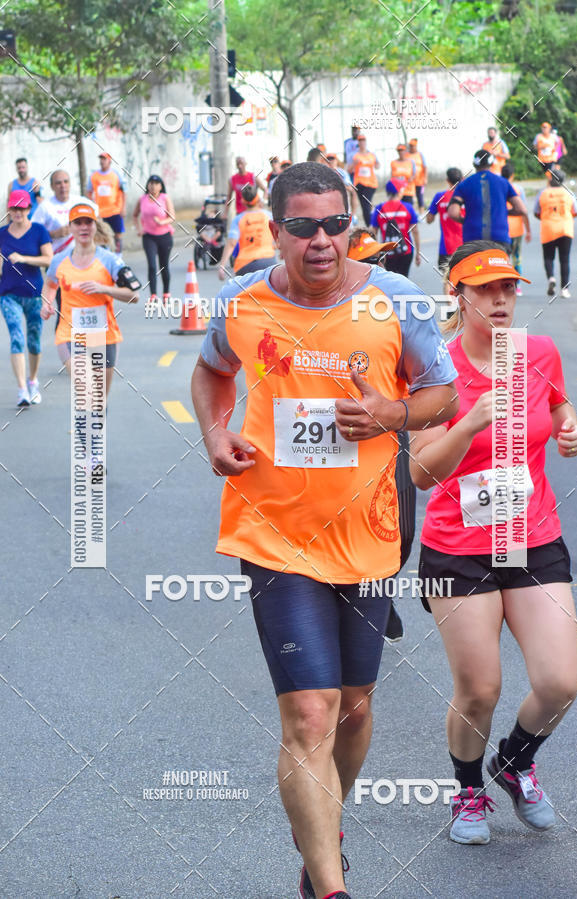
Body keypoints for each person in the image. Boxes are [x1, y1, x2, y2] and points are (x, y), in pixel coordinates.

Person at [191, 162, 458, 899]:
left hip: (368, 535)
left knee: (354, 705)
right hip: (273, 530)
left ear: (352, 226)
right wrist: (216, 435)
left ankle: (325, 820)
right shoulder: (242, 301)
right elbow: (212, 373)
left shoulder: (396, 302)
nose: (321, 240)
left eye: (335, 224)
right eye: (302, 226)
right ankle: (330, 887)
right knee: (310, 710)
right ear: (274, 230)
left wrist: (391, 413)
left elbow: (442, 393)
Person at [409, 240, 577, 846]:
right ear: (458, 294)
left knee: (561, 681)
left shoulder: (538, 353)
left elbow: (558, 409)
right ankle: (466, 789)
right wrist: (472, 422)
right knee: (480, 689)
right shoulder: (438, 367)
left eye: (508, 287)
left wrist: (569, 430)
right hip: (457, 547)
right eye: (485, 288)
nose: (501, 298)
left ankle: (513, 763)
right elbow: (421, 472)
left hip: (532, 537)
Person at [347, 227, 417, 643]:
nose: (380, 269)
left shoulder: (398, 307)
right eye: (370, 263)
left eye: (382, 260)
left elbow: (430, 378)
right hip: (339, 438)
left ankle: (380, 590)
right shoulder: (321, 312)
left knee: (402, 533)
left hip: (392, 431)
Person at [41, 202, 139, 390]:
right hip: (70, 334)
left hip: (103, 335)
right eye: (78, 223)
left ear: (95, 226)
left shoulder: (110, 260)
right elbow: (50, 284)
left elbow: (133, 296)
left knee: (99, 400)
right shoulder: (58, 260)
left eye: (88, 222)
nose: (83, 227)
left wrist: (104, 289)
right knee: (85, 389)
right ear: (70, 227)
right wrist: (46, 303)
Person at [0, 190, 52, 407]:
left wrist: (23, 258)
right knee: (17, 337)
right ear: (8, 209)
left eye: (22, 208)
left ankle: (33, 381)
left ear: (29, 209)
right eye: (14, 208)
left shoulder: (39, 231)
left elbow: (48, 259)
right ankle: (22, 390)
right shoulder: (2, 233)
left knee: (33, 342)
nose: (18, 212)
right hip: (8, 294)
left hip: (34, 294)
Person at [447, 149, 527, 251]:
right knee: (499, 266)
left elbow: (453, 213)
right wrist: (503, 212)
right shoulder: (504, 183)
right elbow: (521, 209)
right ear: (492, 163)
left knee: (476, 267)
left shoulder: (464, 184)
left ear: (474, 164)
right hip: (499, 238)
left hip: (472, 239)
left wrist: (465, 220)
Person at [533, 170, 577, 298]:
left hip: (548, 229)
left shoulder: (543, 193)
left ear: (550, 180)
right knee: (564, 260)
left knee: (548, 257)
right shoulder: (568, 193)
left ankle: (551, 278)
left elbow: (536, 212)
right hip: (565, 229)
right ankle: (564, 290)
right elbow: (576, 211)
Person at [218, 183, 276, 280]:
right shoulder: (269, 216)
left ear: (243, 202)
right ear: (258, 199)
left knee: (243, 293)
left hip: (245, 264)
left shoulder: (239, 219)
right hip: (268, 261)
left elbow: (232, 243)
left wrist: (222, 266)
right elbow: (281, 236)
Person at [133, 175, 175, 304]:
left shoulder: (165, 198)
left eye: (156, 183)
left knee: (164, 266)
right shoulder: (142, 199)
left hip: (164, 236)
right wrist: (139, 229)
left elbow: (172, 217)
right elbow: (135, 215)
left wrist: (162, 222)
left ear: (161, 186)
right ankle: (153, 295)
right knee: (152, 265)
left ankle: (166, 293)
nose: (153, 186)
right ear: (147, 185)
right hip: (148, 236)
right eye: (151, 183)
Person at [32, 169, 89, 254]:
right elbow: (33, 233)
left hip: (82, 257)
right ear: (52, 186)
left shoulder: (82, 202)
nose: (63, 186)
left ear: (70, 184)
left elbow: (98, 220)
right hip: (57, 259)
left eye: (66, 182)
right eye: (58, 183)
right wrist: (53, 234)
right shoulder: (45, 206)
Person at [372, 180, 420, 277]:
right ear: (399, 191)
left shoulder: (379, 208)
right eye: (402, 189)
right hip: (406, 251)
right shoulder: (408, 207)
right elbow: (415, 231)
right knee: (404, 278)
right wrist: (418, 254)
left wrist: (376, 255)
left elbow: (373, 233)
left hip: (387, 252)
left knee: (391, 280)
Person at [86, 152, 126, 253]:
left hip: (115, 210)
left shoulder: (116, 174)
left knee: (118, 234)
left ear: (109, 161)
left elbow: (124, 191)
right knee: (102, 235)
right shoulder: (94, 176)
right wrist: (92, 206)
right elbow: (88, 192)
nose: (102, 161)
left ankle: (118, 256)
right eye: (101, 159)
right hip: (100, 212)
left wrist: (123, 207)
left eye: (104, 159)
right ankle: (105, 255)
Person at [426, 167, 464, 273]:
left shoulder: (440, 196)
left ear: (447, 180)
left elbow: (429, 220)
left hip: (446, 247)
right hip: (465, 246)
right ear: (461, 178)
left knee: (447, 280)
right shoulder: (466, 195)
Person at [501, 163, 531, 295]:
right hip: (517, 228)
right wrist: (528, 229)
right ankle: (517, 286)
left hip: (502, 229)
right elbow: (523, 211)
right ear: (512, 175)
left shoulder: (498, 188)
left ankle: (505, 285)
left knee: (503, 259)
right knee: (517, 257)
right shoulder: (518, 189)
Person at [347, 134, 380, 226]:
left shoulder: (371, 154)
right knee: (364, 205)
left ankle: (370, 225)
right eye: (360, 140)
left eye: (363, 140)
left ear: (366, 142)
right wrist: (354, 164)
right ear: (358, 143)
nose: (362, 142)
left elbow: (378, 166)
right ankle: (369, 224)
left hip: (371, 183)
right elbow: (349, 170)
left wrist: (377, 164)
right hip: (359, 183)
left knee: (366, 204)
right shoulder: (354, 155)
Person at [407, 139, 427, 212]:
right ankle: (411, 213)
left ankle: (421, 213)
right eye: (410, 146)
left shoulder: (420, 155)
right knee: (410, 198)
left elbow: (425, 167)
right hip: (410, 181)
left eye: (413, 146)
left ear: (416, 146)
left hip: (420, 181)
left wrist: (425, 178)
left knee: (420, 196)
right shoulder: (406, 155)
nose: (411, 147)